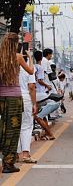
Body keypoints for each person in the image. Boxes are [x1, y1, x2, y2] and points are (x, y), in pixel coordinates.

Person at [0, 33, 34, 173]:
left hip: (1, 98)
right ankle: (8, 163)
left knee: (3, 127)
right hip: (14, 98)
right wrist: (30, 57)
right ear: (15, 43)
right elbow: (31, 71)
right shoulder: (18, 57)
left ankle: (4, 155)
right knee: (13, 131)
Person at [17, 63, 37, 163]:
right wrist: (34, 104)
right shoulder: (29, 68)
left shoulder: (8, 64)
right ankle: (25, 154)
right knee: (26, 126)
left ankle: (14, 155)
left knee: (14, 126)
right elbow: (31, 87)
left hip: (11, 98)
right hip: (25, 98)